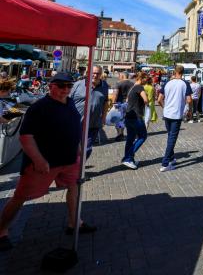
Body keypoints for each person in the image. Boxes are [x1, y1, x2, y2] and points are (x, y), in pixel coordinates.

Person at [0, 73, 96, 251]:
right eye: (61, 86)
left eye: (69, 86)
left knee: (74, 188)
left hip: (69, 160)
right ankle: (1, 231)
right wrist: (38, 159)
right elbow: (26, 137)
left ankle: (74, 223)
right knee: (20, 197)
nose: (65, 89)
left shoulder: (70, 103)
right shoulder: (39, 108)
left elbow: (74, 127)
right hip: (44, 164)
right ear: (51, 86)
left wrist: (78, 148)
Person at [157, 65, 192, 172]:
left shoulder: (168, 83)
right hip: (176, 114)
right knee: (172, 138)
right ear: (183, 72)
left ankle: (171, 158)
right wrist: (189, 111)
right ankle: (165, 163)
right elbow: (189, 100)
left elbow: (159, 99)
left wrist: (165, 107)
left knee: (170, 135)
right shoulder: (185, 84)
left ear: (174, 72)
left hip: (167, 113)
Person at [70, 65, 109, 159]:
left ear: (101, 74)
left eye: (98, 73)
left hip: (93, 124)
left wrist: (103, 117)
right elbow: (68, 100)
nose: (95, 75)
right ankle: (74, 169)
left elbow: (105, 103)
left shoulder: (104, 86)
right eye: (93, 73)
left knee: (87, 149)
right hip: (76, 123)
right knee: (73, 148)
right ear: (88, 73)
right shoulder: (78, 84)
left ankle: (78, 169)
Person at [121, 72, 149, 169]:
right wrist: (147, 100)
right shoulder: (139, 87)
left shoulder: (132, 88)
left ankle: (130, 159)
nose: (147, 80)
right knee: (143, 136)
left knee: (130, 138)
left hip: (129, 115)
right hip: (136, 116)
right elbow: (146, 100)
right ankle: (128, 158)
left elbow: (127, 100)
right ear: (142, 78)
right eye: (146, 78)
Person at [111, 72, 134, 142]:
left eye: (119, 76)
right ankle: (129, 134)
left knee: (120, 120)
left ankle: (120, 134)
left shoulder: (119, 83)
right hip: (130, 104)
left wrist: (113, 103)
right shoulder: (132, 84)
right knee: (128, 119)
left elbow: (115, 93)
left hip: (120, 104)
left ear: (123, 76)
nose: (119, 77)